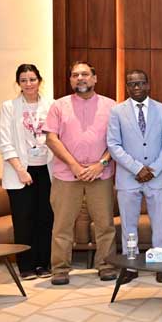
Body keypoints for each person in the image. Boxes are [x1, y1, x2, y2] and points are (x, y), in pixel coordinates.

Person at [44, 62, 118, 285]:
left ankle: (106, 264)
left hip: (100, 175)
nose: (80, 78)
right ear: (70, 80)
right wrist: (74, 166)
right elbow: (51, 139)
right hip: (66, 175)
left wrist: (101, 164)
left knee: (105, 224)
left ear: (95, 78)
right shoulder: (58, 106)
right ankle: (60, 269)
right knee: (62, 225)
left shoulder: (111, 106)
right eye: (75, 75)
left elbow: (117, 141)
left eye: (85, 74)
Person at [106, 69, 162, 284]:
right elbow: (113, 145)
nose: (136, 87)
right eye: (131, 84)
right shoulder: (117, 111)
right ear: (127, 87)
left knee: (160, 224)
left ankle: (160, 264)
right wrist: (137, 168)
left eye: (140, 83)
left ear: (148, 85)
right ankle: (131, 266)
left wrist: (153, 169)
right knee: (129, 225)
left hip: (157, 177)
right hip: (128, 178)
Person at [0, 64, 54, 280]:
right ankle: (26, 266)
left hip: (46, 169)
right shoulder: (9, 107)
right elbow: (5, 142)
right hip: (19, 171)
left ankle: (43, 264)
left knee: (45, 218)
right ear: (18, 83)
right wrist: (21, 170)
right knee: (23, 220)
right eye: (23, 80)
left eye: (32, 79)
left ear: (39, 81)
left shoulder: (51, 105)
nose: (28, 84)